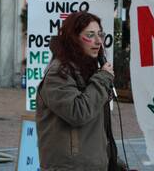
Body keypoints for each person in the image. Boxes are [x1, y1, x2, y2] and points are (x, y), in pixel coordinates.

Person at [35, 11, 118, 171]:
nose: (98, 41)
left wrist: (112, 160)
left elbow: (97, 128)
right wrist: (102, 79)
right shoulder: (58, 73)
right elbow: (78, 112)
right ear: (74, 38)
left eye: (100, 35)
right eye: (90, 35)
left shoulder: (90, 70)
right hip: (68, 166)